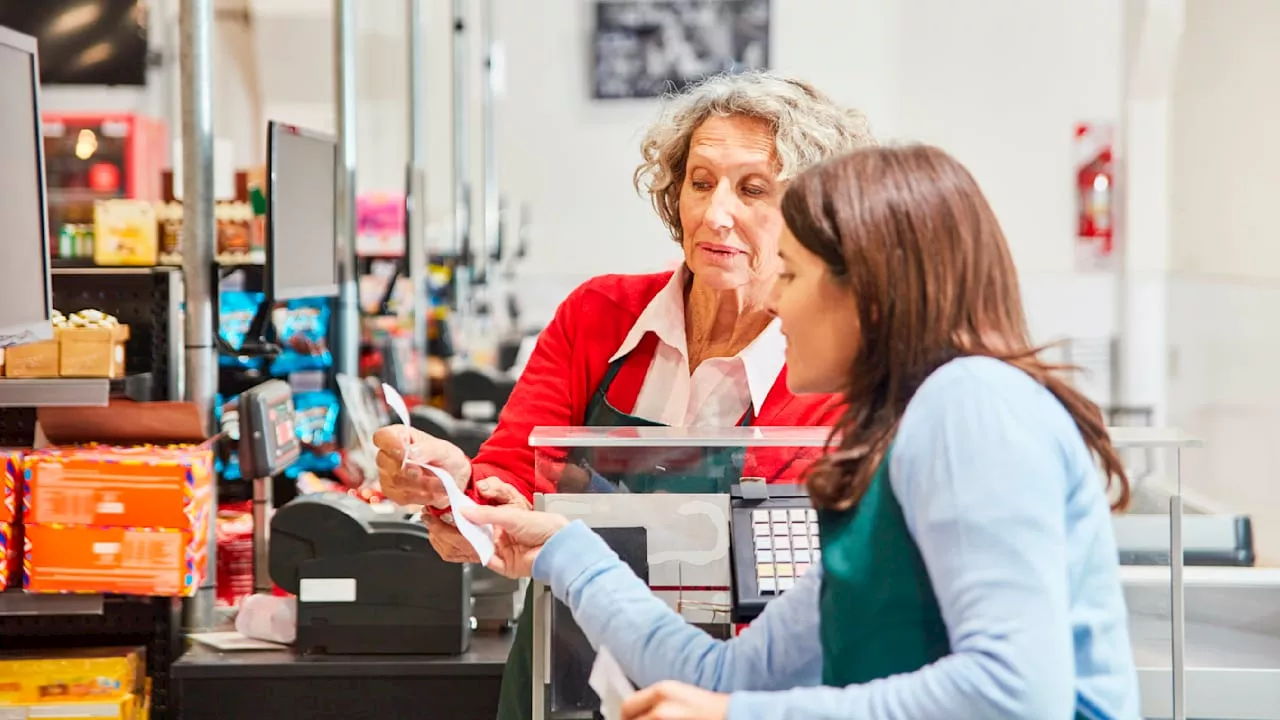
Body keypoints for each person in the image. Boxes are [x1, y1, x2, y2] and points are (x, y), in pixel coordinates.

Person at [461, 144, 1142, 720]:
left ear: (868, 292)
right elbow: (723, 674)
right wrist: (564, 552)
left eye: (790, 273)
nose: (772, 298)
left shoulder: (971, 403)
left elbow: (1016, 693)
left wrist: (739, 718)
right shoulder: (897, 444)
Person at [373, 71, 877, 720]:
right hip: (563, 666)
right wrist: (455, 487)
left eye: (752, 189)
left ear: (809, 216)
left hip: (722, 689)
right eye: (700, 182)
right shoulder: (599, 315)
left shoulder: (828, 370)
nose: (713, 211)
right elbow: (510, 477)